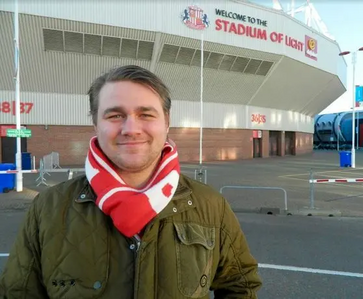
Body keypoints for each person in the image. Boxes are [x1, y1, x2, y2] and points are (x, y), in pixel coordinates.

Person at [0, 65, 262, 298]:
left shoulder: (210, 206)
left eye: (146, 114)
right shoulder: (48, 207)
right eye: (115, 115)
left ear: (167, 123)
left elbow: (240, 284)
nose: (131, 129)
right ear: (95, 124)